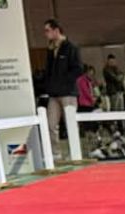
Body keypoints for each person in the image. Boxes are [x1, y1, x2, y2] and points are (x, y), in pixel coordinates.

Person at [43, 19, 83, 159]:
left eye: (47, 30)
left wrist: (65, 81)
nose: (46, 34)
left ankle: (74, 153)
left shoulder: (70, 47)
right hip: (53, 94)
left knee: (70, 123)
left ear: (56, 30)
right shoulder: (50, 49)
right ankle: (56, 153)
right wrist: (48, 85)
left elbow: (78, 69)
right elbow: (48, 71)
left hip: (68, 93)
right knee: (51, 124)